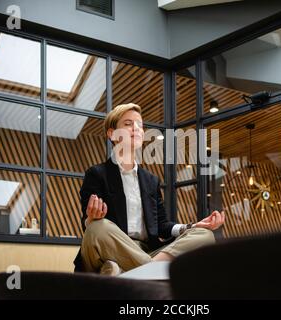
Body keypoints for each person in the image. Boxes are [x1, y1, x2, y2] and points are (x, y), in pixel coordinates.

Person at [74, 103, 225, 275]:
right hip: (110, 246)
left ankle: (126, 271)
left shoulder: (150, 180)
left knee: (203, 235)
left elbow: (162, 226)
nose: (136, 128)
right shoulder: (97, 174)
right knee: (97, 227)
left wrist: (191, 226)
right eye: (128, 124)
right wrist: (91, 219)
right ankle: (151, 271)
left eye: (140, 125)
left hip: (147, 251)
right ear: (112, 134)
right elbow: (89, 228)